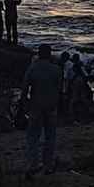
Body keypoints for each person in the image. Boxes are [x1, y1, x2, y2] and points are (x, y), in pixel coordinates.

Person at [22, 44, 62, 176]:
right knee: (50, 136)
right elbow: (60, 89)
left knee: (33, 136)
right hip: (51, 106)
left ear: (39, 54)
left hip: (36, 106)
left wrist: (24, 105)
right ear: (49, 54)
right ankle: (48, 165)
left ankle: (33, 164)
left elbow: (25, 89)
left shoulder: (32, 68)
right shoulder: (56, 69)